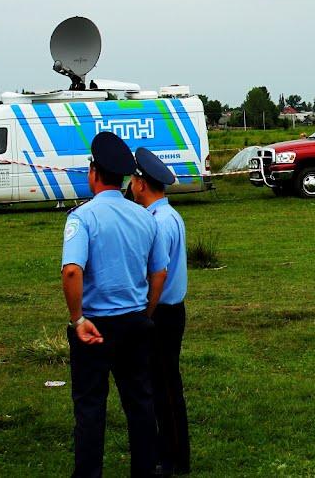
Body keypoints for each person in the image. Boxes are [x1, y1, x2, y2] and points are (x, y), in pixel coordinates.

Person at [62, 132, 169, 477]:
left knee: (91, 407)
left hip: (95, 325)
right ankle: (144, 469)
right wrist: (147, 312)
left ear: (94, 173)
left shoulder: (82, 218)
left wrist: (77, 318)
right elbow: (159, 272)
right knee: (140, 403)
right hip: (135, 322)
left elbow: (72, 272)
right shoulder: (145, 217)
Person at [131, 148, 190, 475]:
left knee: (165, 389)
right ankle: (167, 450)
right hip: (171, 310)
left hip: (162, 314)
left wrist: (145, 314)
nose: (130, 185)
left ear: (142, 184)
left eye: (134, 180)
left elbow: (159, 273)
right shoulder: (169, 215)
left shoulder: (158, 223)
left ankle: (174, 457)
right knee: (162, 385)